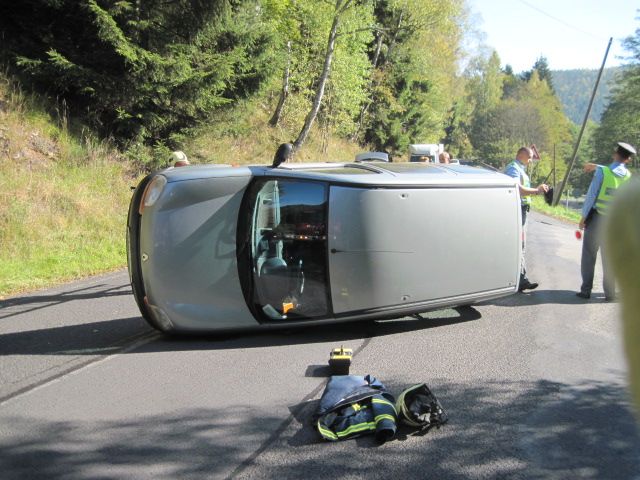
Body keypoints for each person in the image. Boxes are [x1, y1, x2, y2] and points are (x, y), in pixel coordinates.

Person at [576, 142, 634, 301]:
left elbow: (591, 195)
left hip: (597, 219)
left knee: (589, 255)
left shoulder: (603, 172)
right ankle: (610, 293)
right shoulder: (628, 177)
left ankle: (586, 290)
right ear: (628, 159)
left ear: (615, 154)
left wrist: (583, 217)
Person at [504, 146, 550, 291]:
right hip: (518, 210)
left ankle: (520, 279)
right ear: (521, 155)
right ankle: (520, 280)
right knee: (520, 245)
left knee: (520, 245)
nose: (531, 160)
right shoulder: (514, 168)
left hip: (521, 210)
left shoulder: (519, 168)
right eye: (529, 157)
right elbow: (517, 188)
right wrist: (537, 190)